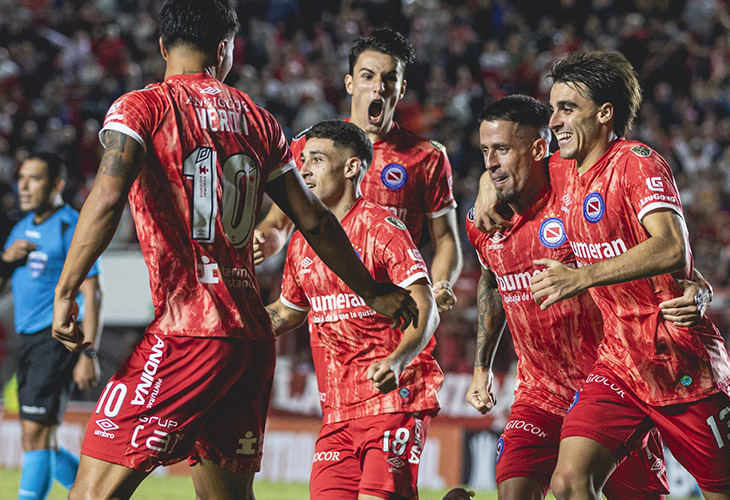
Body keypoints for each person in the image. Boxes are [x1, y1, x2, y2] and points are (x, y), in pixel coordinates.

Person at [50, 2, 418, 499]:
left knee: (91, 494)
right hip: (250, 340)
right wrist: (371, 291)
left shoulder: (142, 107)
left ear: (163, 46)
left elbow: (108, 195)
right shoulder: (257, 119)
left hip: (188, 330)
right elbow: (313, 218)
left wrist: (67, 288)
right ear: (224, 50)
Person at [528, 50, 730, 500]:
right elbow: (511, 166)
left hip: (680, 361)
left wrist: (582, 277)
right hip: (619, 363)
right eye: (553, 108)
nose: (554, 120)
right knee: (569, 481)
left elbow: (673, 247)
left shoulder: (636, 162)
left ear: (604, 113)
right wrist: (484, 188)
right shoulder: (560, 168)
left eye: (566, 108)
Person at [465, 95, 678, 500]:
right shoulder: (483, 222)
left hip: (613, 386)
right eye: (485, 151)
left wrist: (696, 286)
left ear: (539, 149)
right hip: (537, 394)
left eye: (502, 150)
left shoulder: (574, 187)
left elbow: (645, 242)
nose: (490, 163)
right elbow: (490, 280)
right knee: (514, 491)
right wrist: (482, 366)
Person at [265, 120, 442, 500]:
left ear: (350, 168)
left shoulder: (382, 228)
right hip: (337, 413)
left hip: (396, 399)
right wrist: (232, 323)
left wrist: (396, 361)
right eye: (303, 160)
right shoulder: (301, 242)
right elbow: (289, 311)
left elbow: (426, 306)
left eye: (316, 159)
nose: (305, 169)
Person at [253, 28, 462, 313]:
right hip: (333, 311)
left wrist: (441, 284)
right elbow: (280, 223)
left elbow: (446, 238)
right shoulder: (309, 147)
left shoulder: (427, 157)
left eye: (390, 79)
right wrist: (263, 241)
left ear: (401, 88)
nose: (378, 87)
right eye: (368, 76)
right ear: (350, 83)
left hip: (397, 310)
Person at [0, 152, 102, 500]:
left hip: (53, 339)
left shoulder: (71, 225)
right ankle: (98, 496)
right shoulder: (20, 228)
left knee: (36, 438)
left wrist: (88, 352)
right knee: (39, 439)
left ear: (56, 184)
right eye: (21, 177)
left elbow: (93, 291)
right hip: (26, 341)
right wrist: (5, 261)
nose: (23, 186)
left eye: (34, 178)